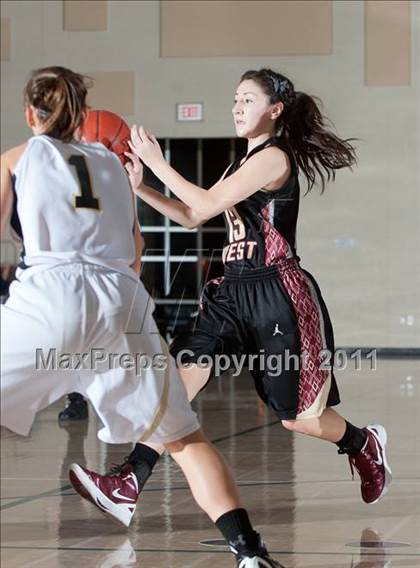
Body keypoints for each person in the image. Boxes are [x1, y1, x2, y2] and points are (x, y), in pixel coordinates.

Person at [0, 66, 283, 568]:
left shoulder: (23, 155)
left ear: (30, 114)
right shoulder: (112, 168)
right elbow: (137, 250)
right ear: (84, 114)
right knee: (183, 437)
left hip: (49, 295)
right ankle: (249, 553)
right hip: (121, 303)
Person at [89, 68, 392, 514]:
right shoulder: (239, 164)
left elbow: (207, 204)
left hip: (278, 293)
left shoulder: (274, 158)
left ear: (275, 110)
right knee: (180, 379)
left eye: (248, 100)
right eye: (234, 99)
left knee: (298, 419)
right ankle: (129, 481)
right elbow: (193, 215)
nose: (237, 107)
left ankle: (362, 442)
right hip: (230, 291)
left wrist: (157, 162)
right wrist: (143, 189)